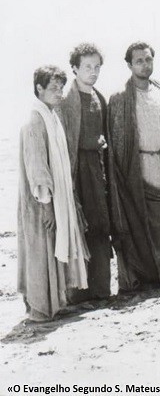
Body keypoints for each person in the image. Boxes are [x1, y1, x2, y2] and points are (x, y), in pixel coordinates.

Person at [107, 41, 160, 292]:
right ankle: (150, 276)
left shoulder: (159, 90)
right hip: (138, 168)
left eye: (148, 59)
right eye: (139, 61)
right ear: (129, 65)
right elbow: (118, 144)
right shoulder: (120, 98)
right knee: (144, 220)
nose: (145, 65)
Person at [18, 66, 89, 321]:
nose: (59, 93)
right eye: (53, 88)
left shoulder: (51, 116)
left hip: (53, 197)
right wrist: (47, 205)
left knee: (53, 247)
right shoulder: (35, 120)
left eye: (61, 88)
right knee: (40, 250)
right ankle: (39, 309)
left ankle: (55, 304)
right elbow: (37, 166)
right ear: (39, 89)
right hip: (40, 201)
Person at [59, 43, 112, 302]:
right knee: (79, 228)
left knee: (101, 226)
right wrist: (92, 143)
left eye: (97, 67)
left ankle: (101, 290)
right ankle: (78, 293)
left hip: (97, 173)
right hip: (76, 174)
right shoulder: (65, 102)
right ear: (75, 68)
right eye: (87, 67)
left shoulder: (99, 98)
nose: (93, 72)